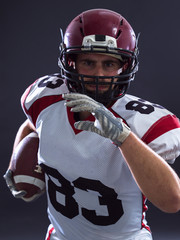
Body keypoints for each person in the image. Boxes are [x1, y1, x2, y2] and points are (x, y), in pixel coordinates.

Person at [4, 8, 180, 240]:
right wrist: (18, 164)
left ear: (124, 66)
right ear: (71, 62)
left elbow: (172, 201)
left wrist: (123, 137)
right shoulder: (46, 99)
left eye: (108, 64)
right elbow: (32, 126)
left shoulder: (145, 122)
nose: (98, 74)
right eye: (88, 62)